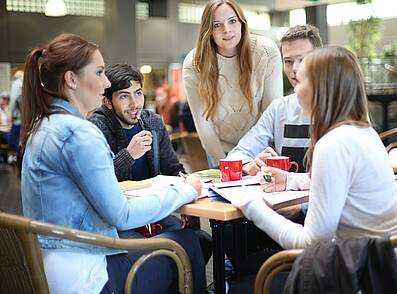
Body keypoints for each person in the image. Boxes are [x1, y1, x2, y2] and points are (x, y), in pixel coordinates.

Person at [20, 33, 206, 294]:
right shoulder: (79, 133)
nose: (105, 82)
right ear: (71, 79)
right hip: (91, 277)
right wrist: (185, 191)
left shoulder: (42, 126)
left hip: (53, 269)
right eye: (98, 73)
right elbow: (122, 214)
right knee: (188, 242)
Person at [230, 46, 397, 293]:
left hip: (370, 278)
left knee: (240, 285)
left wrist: (251, 206)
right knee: (249, 266)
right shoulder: (363, 132)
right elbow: (343, 183)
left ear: (321, 89)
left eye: (302, 79)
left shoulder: (333, 144)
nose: (295, 88)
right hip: (392, 265)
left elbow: (310, 243)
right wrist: (290, 180)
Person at [89, 64, 212, 263]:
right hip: (119, 222)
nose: (134, 103)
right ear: (108, 102)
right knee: (183, 245)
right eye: (123, 96)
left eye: (138, 93)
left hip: (152, 213)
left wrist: (187, 191)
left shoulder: (152, 122)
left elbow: (172, 168)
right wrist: (129, 154)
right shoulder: (97, 127)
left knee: (202, 240)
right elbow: (98, 182)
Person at [182, 0, 283, 166]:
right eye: (217, 25)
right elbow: (203, 125)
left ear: (242, 23)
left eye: (232, 21)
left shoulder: (266, 51)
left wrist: (251, 159)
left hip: (261, 149)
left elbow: (271, 113)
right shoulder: (194, 63)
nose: (227, 30)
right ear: (209, 31)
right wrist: (225, 165)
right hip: (220, 151)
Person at [226, 24, 322, 178]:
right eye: (288, 61)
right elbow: (239, 153)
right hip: (283, 199)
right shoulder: (279, 108)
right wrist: (249, 164)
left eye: (302, 59)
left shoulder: (338, 105)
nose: (295, 69)